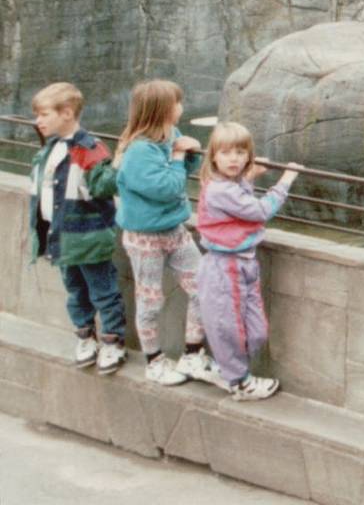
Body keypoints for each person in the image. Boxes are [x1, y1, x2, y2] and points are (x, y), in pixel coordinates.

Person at [114, 79, 226, 387]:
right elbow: (166, 188)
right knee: (151, 299)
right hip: (144, 237)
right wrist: (178, 157)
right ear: (163, 109)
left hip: (174, 229)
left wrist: (187, 154)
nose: (182, 107)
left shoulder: (170, 137)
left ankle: (192, 353)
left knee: (203, 285)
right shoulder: (138, 151)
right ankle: (154, 361)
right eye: (177, 102)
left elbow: (180, 175)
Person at [194, 122, 301, 401]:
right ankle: (239, 382)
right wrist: (285, 181)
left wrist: (249, 175)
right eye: (226, 152)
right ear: (213, 156)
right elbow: (258, 211)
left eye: (241, 152)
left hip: (243, 262)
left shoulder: (230, 183)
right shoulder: (220, 190)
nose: (234, 159)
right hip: (223, 265)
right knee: (229, 327)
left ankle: (226, 368)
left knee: (255, 332)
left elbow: (238, 191)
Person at [26, 82, 127, 374]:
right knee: (75, 290)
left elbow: (105, 186)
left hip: (89, 238)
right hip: (63, 239)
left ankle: (113, 340)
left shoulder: (88, 148)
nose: (38, 121)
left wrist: (116, 164)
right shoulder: (52, 149)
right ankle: (85, 335)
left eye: (44, 114)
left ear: (67, 113)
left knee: (102, 291)